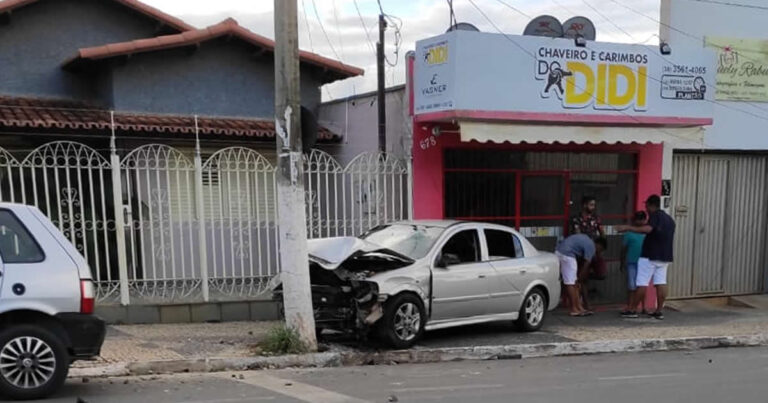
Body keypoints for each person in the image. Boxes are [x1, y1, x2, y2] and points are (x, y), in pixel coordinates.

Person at [617, 195, 676, 320]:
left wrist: (628, 228)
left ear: (650, 205)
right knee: (661, 282)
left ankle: (632, 309)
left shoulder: (655, 216)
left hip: (650, 255)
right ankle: (658, 311)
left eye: (646, 205)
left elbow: (648, 229)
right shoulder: (669, 219)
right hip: (664, 256)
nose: (646, 208)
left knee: (642, 283)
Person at [555, 233, 607, 317]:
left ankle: (579, 307)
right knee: (571, 283)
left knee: (573, 283)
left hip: (561, 251)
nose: (598, 253)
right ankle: (574, 309)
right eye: (600, 250)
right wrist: (579, 278)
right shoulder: (592, 247)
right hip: (567, 255)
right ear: (599, 245)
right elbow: (586, 265)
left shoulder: (586, 239)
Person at [571, 196, 607, 309]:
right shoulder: (576, 218)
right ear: (584, 205)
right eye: (591, 204)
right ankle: (586, 303)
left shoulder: (596, 218)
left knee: (601, 273)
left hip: (595, 251)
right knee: (583, 279)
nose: (593, 207)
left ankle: (587, 277)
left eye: (594, 205)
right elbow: (577, 234)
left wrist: (602, 246)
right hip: (582, 252)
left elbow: (602, 232)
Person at [620, 211, 647, 316]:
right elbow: (623, 249)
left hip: (644, 263)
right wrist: (622, 262)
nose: (640, 221)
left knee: (642, 286)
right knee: (631, 286)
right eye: (638, 219)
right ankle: (630, 306)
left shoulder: (647, 233)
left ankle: (643, 307)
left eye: (642, 219)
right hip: (631, 262)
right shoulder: (629, 234)